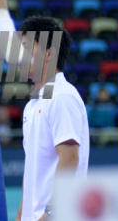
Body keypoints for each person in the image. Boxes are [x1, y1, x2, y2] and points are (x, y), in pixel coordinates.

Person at [17, 17, 90, 221]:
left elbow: (70, 159)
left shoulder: (62, 96)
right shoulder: (31, 106)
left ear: (48, 52)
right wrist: (21, 214)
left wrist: (51, 214)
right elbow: (32, 169)